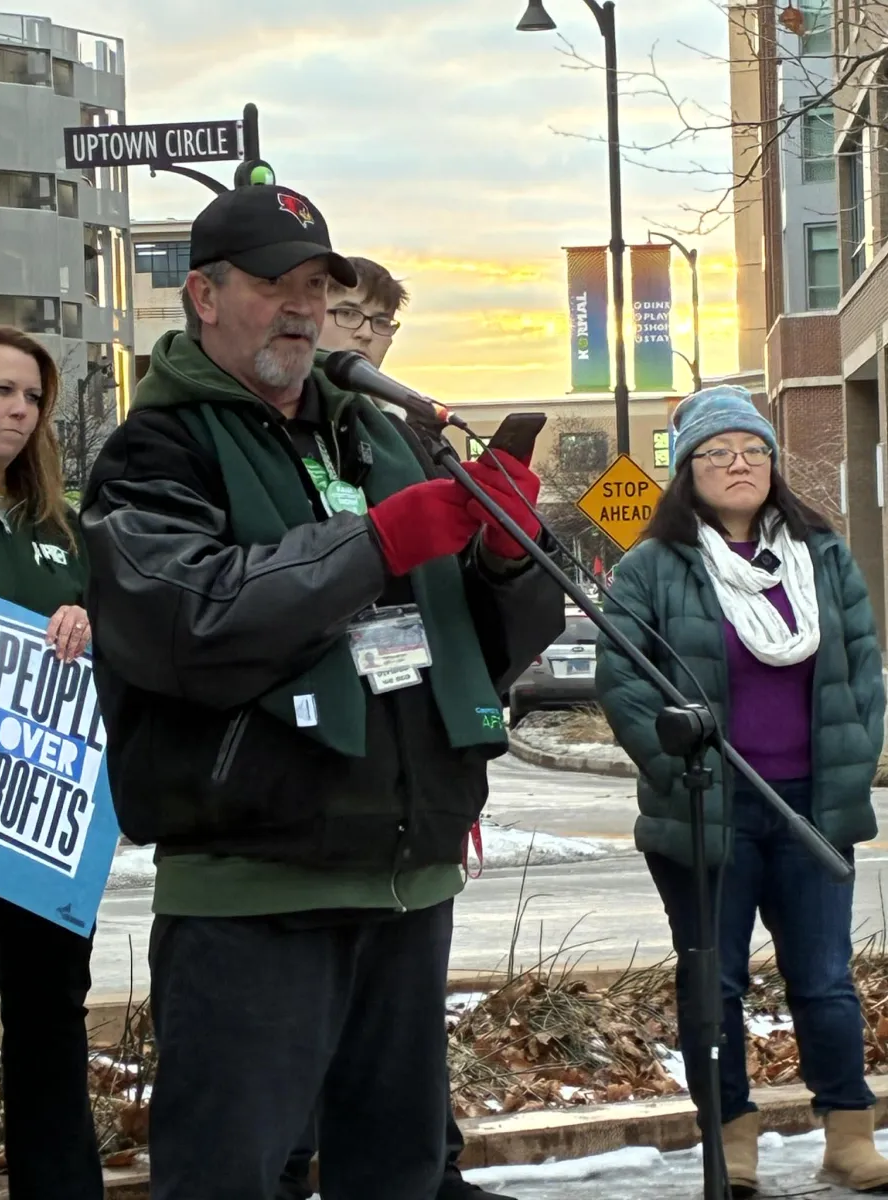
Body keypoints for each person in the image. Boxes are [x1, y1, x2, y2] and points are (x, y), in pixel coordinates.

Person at [80, 184, 563, 1200]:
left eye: (317, 284)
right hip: (257, 890)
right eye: (275, 284)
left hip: (406, 880)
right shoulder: (152, 453)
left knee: (397, 1177)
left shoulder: (385, 438)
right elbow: (187, 623)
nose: (301, 307)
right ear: (204, 296)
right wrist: (374, 543)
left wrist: (514, 562)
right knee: (230, 1180)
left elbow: (482, 645)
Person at [595, 384, 888, 1197]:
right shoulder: (653, 567)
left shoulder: (820, 555)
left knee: (825, 979)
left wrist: (857, 755)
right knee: (714, 983)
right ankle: (733, 1142)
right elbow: (621, 680)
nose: (739, 464)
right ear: (688, 469)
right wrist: (676, 770)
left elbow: (865, 673)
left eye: (753, 451)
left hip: (811, 809)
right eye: (718, 452)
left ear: (772, 464)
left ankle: (847, 1135)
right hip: (707, 809)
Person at [274, 255, 515, 1200]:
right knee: (307, 997)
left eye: (381, 325)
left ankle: (428, 1160)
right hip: (313, 756)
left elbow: (465, 610)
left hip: (417, 743)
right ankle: (291, 1161)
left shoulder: (408, 433)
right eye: (346, 314)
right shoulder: (279, 430)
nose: (365, 338)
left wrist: (500, 545)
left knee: (402, 996)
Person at [0, 327, 99, 1199]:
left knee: (50, 1016)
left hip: (41, 816)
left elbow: (121, 625)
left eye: (31, 396)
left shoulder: (60, 526)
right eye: (0, 391)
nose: (20, 411)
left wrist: (90, 622)